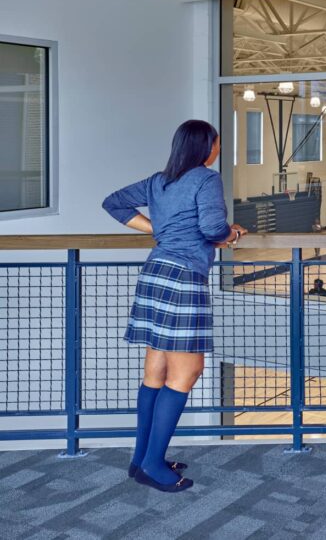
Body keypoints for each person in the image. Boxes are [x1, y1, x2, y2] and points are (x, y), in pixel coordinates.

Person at [102, 120, 247, 493]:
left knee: (156, 372)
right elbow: (214, 228)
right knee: (187, 371)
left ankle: (141, 458)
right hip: (183, 278)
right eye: (216, 143)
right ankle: (152, 463)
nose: (217, 148)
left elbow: (113, 203)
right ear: (206, 147)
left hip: (156, 274)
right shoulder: (205, 179)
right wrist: (230, 234)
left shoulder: (158, 180)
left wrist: (159, 229)